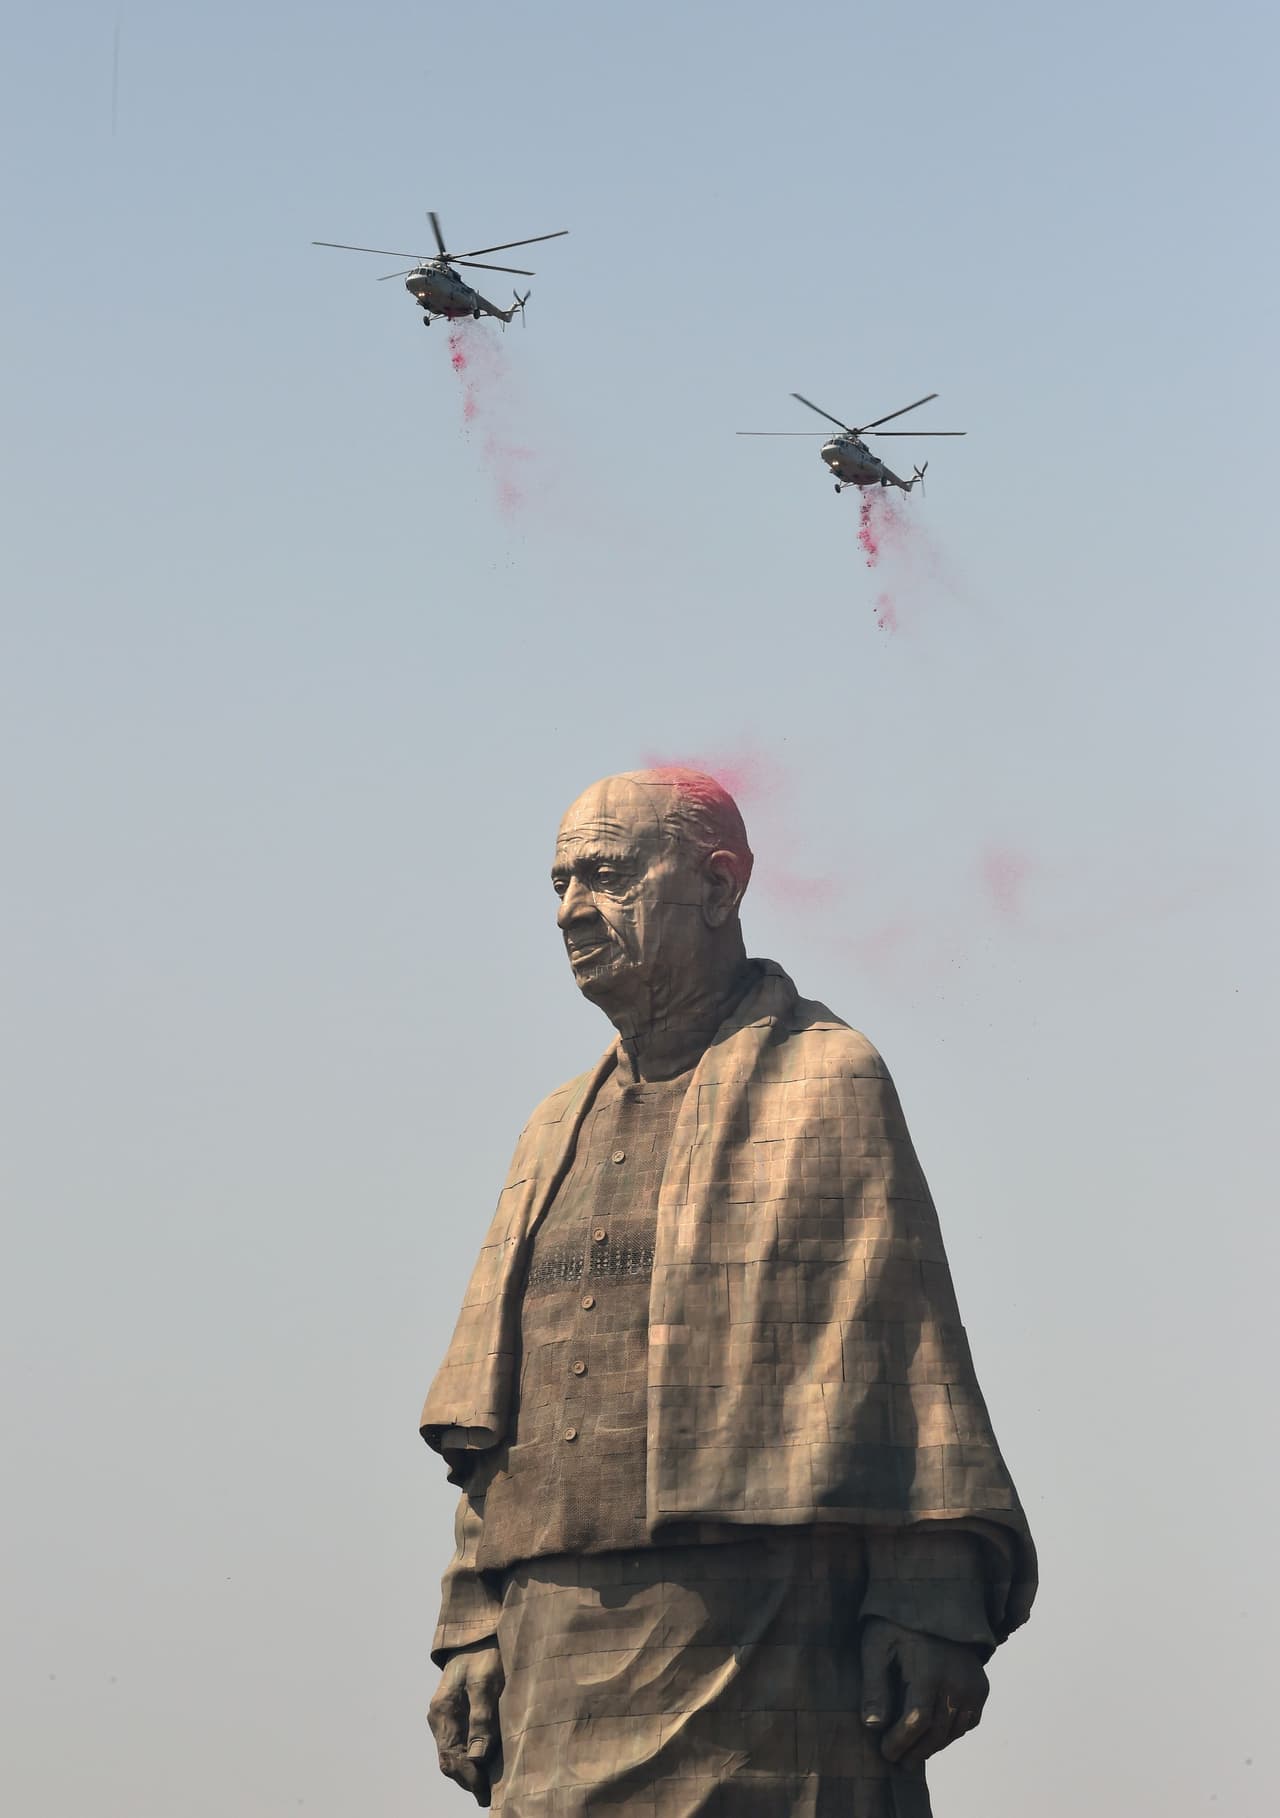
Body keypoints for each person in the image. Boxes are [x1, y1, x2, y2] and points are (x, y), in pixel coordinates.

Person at [421, 768, 1036, 1815]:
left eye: (607, 875)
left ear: (717, 886)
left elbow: (906, 1359)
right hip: (554, 1644)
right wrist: (472, 1621)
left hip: (765, 1633)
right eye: (560, 882)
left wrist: (927, 1596)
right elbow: (494, 1415)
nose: (572, 910)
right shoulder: (550, 1129)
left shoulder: (825, 1081)